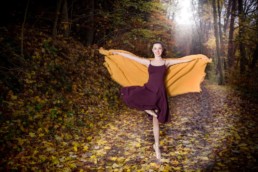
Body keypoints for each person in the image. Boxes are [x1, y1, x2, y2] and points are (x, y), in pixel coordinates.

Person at [111, 42, 194, 160]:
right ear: (152, 50)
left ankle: (157, 147)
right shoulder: (148, 62)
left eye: (159, 48)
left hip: (160, 93)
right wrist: (118, 53)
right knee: (129, 95)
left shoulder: (166, 62)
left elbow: (182, 60)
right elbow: (133, 58)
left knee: (156, 122)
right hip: (148, 90)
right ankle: (149, 111)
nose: (157, 50)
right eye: (155, 48)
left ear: (162, 50)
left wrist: (196, 58)